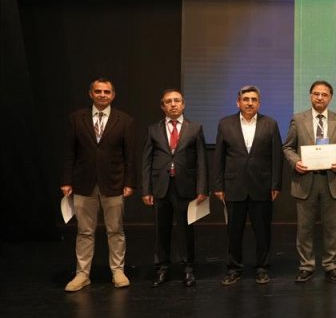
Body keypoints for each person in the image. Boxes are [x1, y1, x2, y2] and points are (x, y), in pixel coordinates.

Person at [61, 78, 136, 291]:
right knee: (84, 231)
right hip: (83, 183)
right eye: (98, 91)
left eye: (107, 92)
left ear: (113, 95)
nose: (102, 95)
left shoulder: (125, 120)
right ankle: (82, 274)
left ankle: (117, 271)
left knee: (116, 230)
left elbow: (130, 155)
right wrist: (66, 180)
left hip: (114, 182)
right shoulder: (76, 119)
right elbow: (69, 152)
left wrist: (130, 182)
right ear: (90, 94)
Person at [212, 85, 283, 286]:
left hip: (262, 186)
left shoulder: (270, 124)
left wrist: (276, 183)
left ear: (259, 103)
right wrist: (218, 185)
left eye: (253, 99)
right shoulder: (225, 124)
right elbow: (218, 158)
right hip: (234, 186)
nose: (250, 103)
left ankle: (262, 268)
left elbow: (277, 157)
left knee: (263, 231)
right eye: (246, 99)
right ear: (238, 102)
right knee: (234, 232)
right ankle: (234, 269)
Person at [283, 81, 336, 282]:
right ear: (310, 96)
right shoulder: (298, 119)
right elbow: (288, 147)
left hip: (331, 180)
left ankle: (331, 264)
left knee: (331, 227)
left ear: (330, 97)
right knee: (304, 228)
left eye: (324, 94)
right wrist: (295, 163)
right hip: (306, 180)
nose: (320, 97)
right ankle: (306, 265)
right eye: (316, 94)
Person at [142, 89, 208, 288]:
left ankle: (188, 269)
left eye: (177, 101)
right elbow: (146, 161)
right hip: (160, 187)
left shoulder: (195, 128)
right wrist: (146, 189)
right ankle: (162, 268)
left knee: (186, 230)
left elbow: (202, 161)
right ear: (163, 106)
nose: (173, 104)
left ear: (183, 105)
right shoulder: (153, 130)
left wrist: (203, 188)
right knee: (161, 230)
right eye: (168, 101)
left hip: (185, 187)